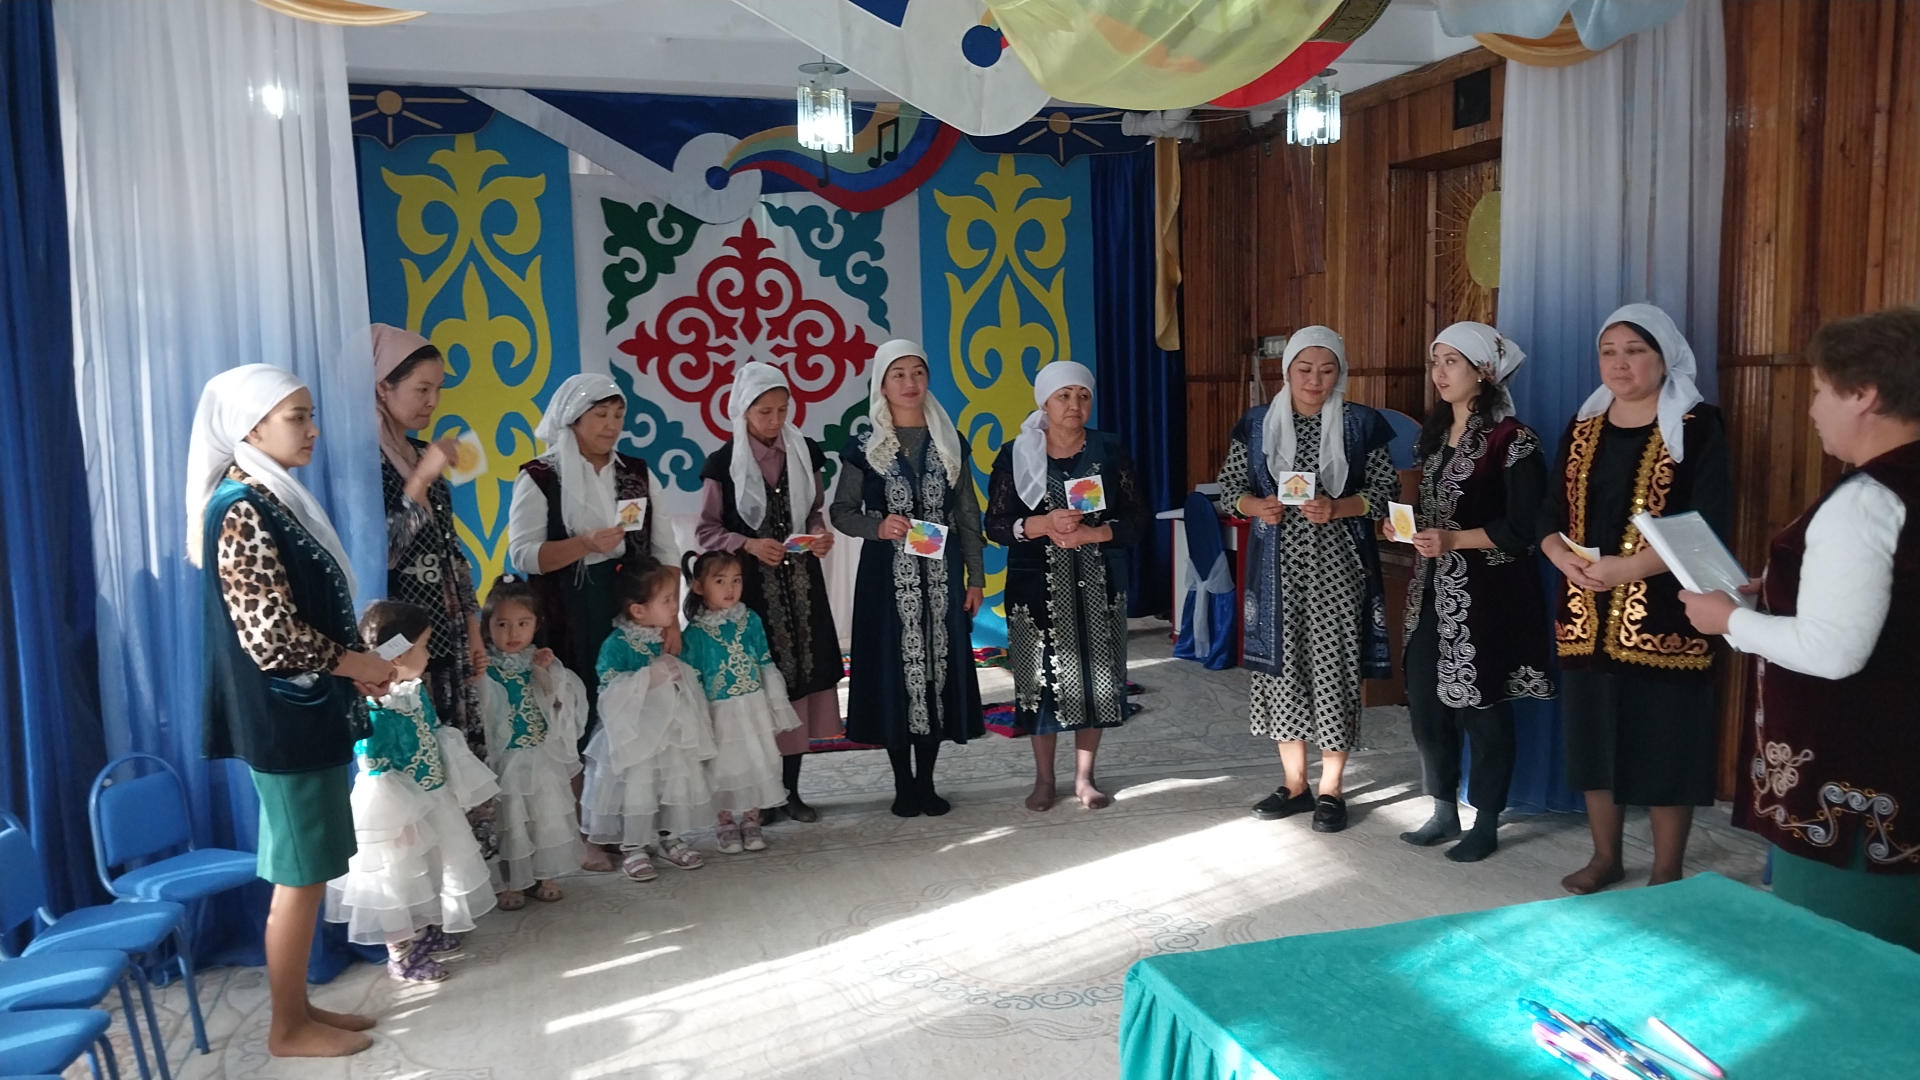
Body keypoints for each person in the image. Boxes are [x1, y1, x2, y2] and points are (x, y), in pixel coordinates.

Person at [1681, 306, 1920, 950]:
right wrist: (1782, 587)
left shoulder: (1867, 499)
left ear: (1863, 394)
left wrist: (1729, 619)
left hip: (1859, 781)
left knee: (1841, 957)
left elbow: (1832, 650)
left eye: (1819, 390)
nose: (1812, 409)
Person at [189, 364, 392, 1056]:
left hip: (303, 706)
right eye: (296, 417)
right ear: (250, 429)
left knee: (307, 868)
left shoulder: (269, 497)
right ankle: (287, 1028)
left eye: (310, 414)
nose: (312, 430)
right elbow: (270, 634)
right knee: (299, 873)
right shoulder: (240, 507)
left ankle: (299, 1007)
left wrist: (353, 667)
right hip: (282, 717)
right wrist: (356, 664)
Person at [1537, 304, 1732, 893]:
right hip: (1586, 609)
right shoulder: (1584, 426)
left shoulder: (1698, 426)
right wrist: (1560, 557)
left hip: (1669, 613)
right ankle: (1606, 857)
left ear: (1664, 357)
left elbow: (1707, 520)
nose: (1620, 364)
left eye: (1635, 351)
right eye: (1609, 352)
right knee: (1594, 735)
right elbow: (1549, 514)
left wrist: (1630, 569)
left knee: (1666, 740)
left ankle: (1667, 871)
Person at [1218, 327, 1397, 834]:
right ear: (1287, 371)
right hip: (1274, 570)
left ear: (1340, 373)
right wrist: (1256, 505)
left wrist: (1341, 507)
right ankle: (1294, 784)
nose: (1315, 380)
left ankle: (1332, 788)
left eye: (1326, 370)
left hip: (1338, 569)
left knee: (1333, 671)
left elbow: (1386, 490)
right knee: (1283, 672)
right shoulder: (1257, 424)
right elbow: (1229, 488)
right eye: (1304, 369)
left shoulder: (1361, 423)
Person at [1391, 323, 1553, 863]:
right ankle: (1443, 809)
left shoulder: (1514, 440)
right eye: (1435, 361)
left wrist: (1455, 540)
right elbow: (1433, 513)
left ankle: (1486, 821)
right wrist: (1406, 529)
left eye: (1452, 361)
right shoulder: (1435, 437)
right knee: (1426, 702)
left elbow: (1525, 527)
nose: (1439, 373)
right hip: (1430, 592)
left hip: (1488, 597)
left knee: (1482, 707)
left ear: (1483, 371)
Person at [984, 361, 1149, 812]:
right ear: (1044, 402)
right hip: (1035, 584)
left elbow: (1137, 519)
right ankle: (1044, 780)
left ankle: (1084, 777)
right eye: (1064, 396)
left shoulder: (1108, 449)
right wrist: (1041, 524)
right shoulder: (1016, 453)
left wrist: (1094, 533)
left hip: (1099, 579)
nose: (1074, 404)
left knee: (1097, 679)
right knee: (1039, 680)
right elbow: (995, 525)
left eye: (1083, 396)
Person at [830, 339, 986, 818]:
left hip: (942, 580)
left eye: (918, 372)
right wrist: (877, 527)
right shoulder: (865, 447)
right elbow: (841, 511)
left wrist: (976, 578)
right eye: (898, 374)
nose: (910, 382)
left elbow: (967, 514)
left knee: (938, 672)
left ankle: (927, 782)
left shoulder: (949, 440)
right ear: (881, 384)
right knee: (894, 674)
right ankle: (903, 784)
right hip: (886, 583)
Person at [695, 362, 843, 823]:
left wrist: (820, 534)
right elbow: (707, 531)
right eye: (764, 412)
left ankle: (791, 791)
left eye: (782, 410)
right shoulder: (723, 464)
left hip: (802, 589)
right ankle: (763, 795)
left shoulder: (805, 452)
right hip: (751, 594)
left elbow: (814, 511)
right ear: (743, 411)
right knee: (760, 687)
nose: (775, 421)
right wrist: (749, 545)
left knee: (800, 683)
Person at [326, 601, 498, 984]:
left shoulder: (415, 692)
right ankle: (400, 954)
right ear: (399, 654)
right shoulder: (373, 708)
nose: (429, 654)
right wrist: (395, 821)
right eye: (424, 645)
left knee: (432, 867)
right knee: (398, 880)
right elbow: (374, 766)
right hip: (397, 814)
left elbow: (433, 736)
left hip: (431, 799)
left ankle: (424, 931)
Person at [506, 372, 682, 730]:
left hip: (632, 605)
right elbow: (523, 555)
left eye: (618, 415)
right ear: (573, 418)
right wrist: (584, 544)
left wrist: (671, 618)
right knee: (579, 701)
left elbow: (665, 550)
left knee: (637, 705)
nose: (612, 425)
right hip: (568, 606)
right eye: (601, 415)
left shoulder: (637, 473)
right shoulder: (540, 477)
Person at [371, 324, 488, 784]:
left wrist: (473, 627)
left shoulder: (422, 451)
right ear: (383, 387)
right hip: (401, 643)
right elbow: (385, 551)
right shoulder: (363, 461)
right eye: (422, 389)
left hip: (448, 627)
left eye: (438, 389)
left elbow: (450, 549)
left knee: (459, 751)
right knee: (419, 756)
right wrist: (420, 479)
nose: (433, 401)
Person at [582, 564, 713, 882]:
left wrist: (680, 675)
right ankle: (634, 846)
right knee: (637, 790)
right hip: (635, 737)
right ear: (638, 610)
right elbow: (608, 693)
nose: (673, 606)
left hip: (668, 732)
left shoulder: (664, 637)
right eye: (666, 600)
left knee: (671, 785)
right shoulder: (616, 644)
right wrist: (646, 678)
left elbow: (685, 674)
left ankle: (671, 836)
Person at [680, 550, 804, 853]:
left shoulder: (750, 620)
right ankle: (724, 822)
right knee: (722, 766)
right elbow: (692, 678)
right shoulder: (694, 632)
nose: (730, 588)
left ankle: (751, 819)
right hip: (718, 711)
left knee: (756, 759)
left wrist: (772, 701)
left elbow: (763, 660)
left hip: (752, 705)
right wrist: (698, 717)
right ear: (698, 586)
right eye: (720, 581)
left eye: (736, 580)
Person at [478, 576, 589, 910]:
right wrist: (477, 676)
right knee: (510, 818)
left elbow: (557, 704)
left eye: (522, 623)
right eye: (502, 624)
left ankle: (544, 873)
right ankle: (512, 880)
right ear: (488, 627)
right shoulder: (486, 666)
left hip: (539, 756)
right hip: (505, 759)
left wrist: (544, 673)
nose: (513, 633)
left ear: (536, 625)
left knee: (544, 815)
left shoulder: (540, 660)